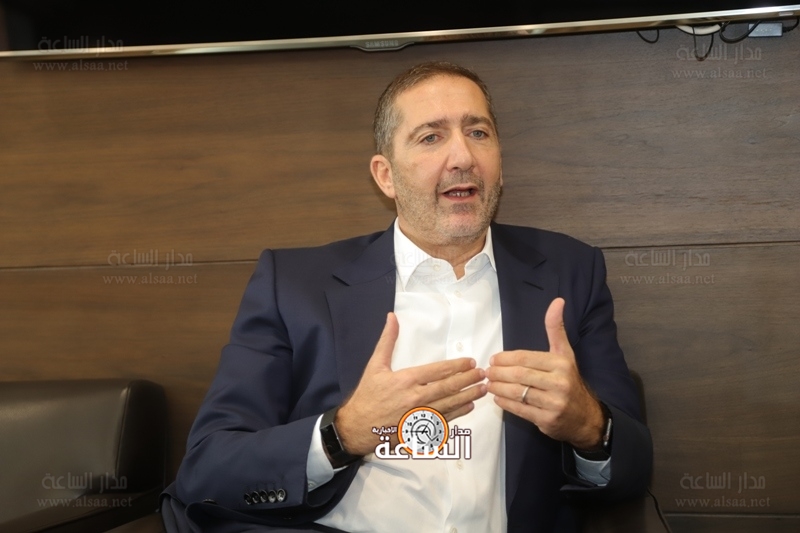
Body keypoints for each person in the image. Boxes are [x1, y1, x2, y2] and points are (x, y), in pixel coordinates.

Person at [161, 61, 652, 533]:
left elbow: (634, 469)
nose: (463, 157)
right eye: (431, 137)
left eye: (478, 132)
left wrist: (589, 425)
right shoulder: (294, 285)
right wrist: (344, 433)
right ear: (386, 176)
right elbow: (207, 468)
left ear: (500, 165)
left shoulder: (571, 272)